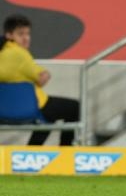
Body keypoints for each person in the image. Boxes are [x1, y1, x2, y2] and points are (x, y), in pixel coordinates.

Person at [0, 14, 79, 145]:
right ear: (9, 35)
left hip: (3, 111)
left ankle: (33, 150)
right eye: (21, 34)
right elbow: (41, 78)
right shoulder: (19, 54)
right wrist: (46, 74)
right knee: (75, 107)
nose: (26, 38)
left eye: (28, 34)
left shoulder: (2, 53)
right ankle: (66, 149)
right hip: (29, 108)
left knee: (50, 116)